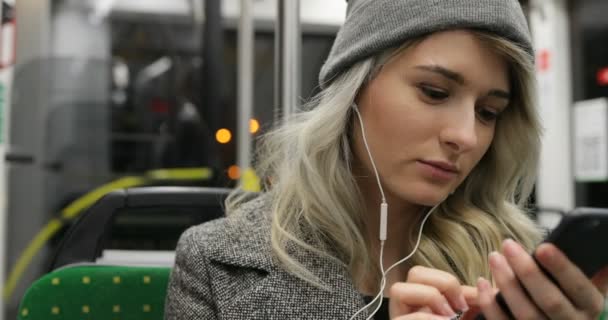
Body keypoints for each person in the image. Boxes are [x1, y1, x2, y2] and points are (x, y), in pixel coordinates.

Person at [164, 0, 608, 319]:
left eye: (488, 112)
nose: (465, 136)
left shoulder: (523, 271)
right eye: (434, 92)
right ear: (353, 88)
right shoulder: (218, 261)